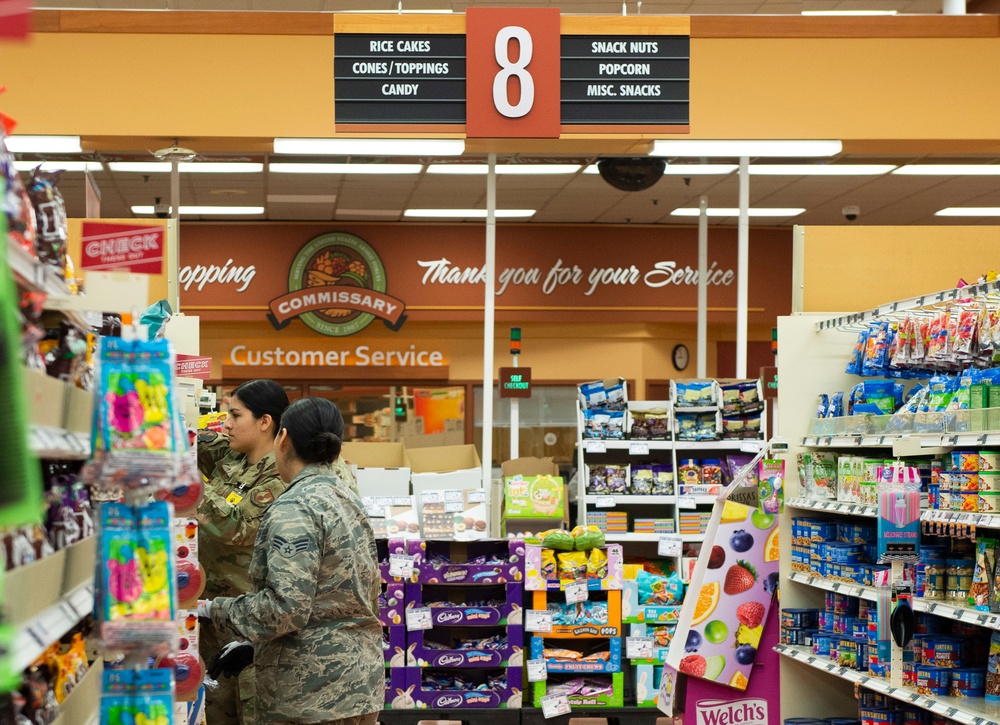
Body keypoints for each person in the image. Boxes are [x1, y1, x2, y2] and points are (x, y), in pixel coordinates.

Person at [205, 397, 384, 725]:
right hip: (361, 683)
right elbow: (349, 594)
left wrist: (213, 610)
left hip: (310, 692)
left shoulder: (295, 508)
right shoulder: (349, 500)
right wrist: (257, 646)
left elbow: (286, 608)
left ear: (282, 438)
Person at [197, 379, 290, 725]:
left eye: (236, 415)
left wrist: (190, 489)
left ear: (265, 422)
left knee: (249, 714)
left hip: (248, 629)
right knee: (214, 712)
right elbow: (193, 442)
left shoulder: (279, 475)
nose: (226, 423)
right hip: (209, 621)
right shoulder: (233, 456)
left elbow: (235, 527)